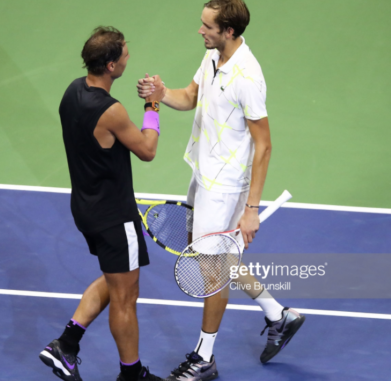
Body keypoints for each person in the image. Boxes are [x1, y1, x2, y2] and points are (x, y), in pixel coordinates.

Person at [136, 1, 304, 379]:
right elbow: (191, 97)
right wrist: (161, 93)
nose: (201, 31)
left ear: (228, 31)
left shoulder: (247, 76)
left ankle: (204, 358)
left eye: (207, 26)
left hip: (227, 186)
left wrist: (251, 208)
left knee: (212, 270)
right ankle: (279, 315)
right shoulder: (212, 56)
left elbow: (265, 145)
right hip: (204, 172)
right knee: (218, 260)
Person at [40, 26, 166, 381]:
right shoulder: (111, 111)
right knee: (126, 296)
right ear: (111, 65)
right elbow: (147, 149)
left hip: (85, 208)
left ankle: (66, 344)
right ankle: (131, 375)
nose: (129, 56)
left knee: (115, 282)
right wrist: (152, 105)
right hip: (114, 216)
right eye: (125, 53)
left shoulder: (72, 92)